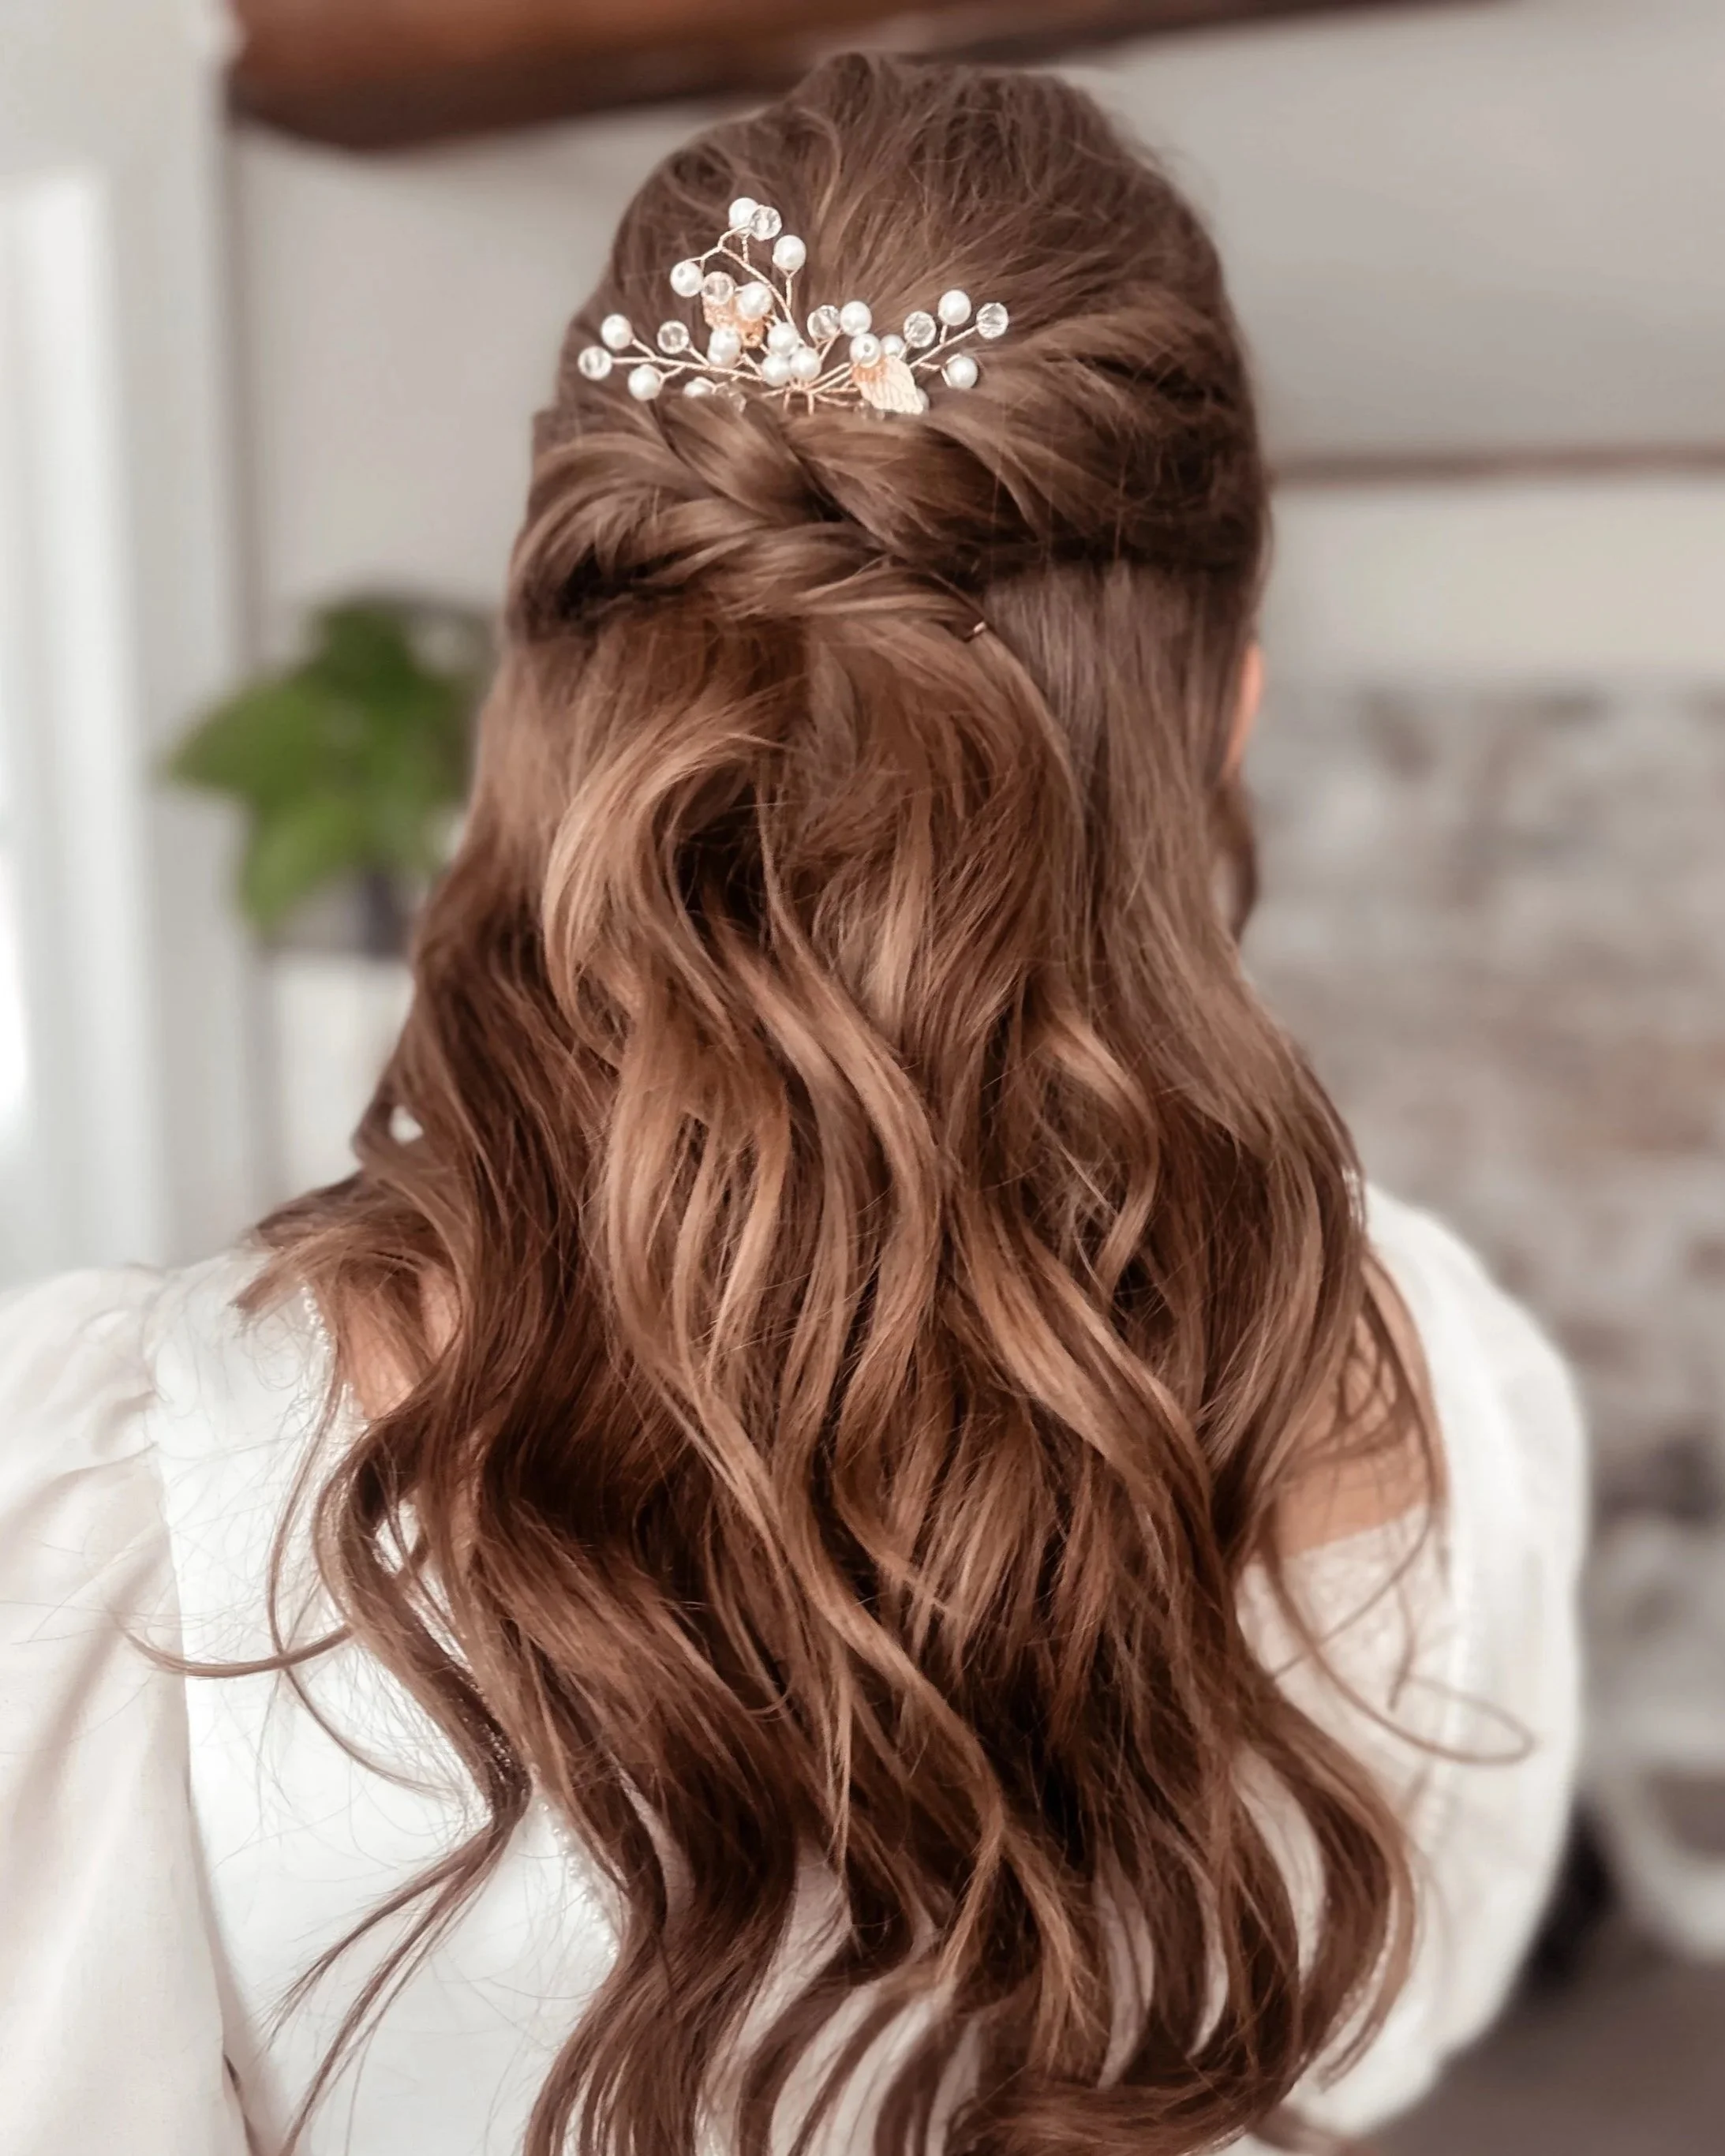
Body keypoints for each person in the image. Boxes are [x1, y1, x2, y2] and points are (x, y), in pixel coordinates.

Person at [0, 52, 1585, 2156]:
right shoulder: (1438, 1385)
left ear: (548, 688)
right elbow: (1363, 2039)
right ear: (1228, 707)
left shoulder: (140, 1509)